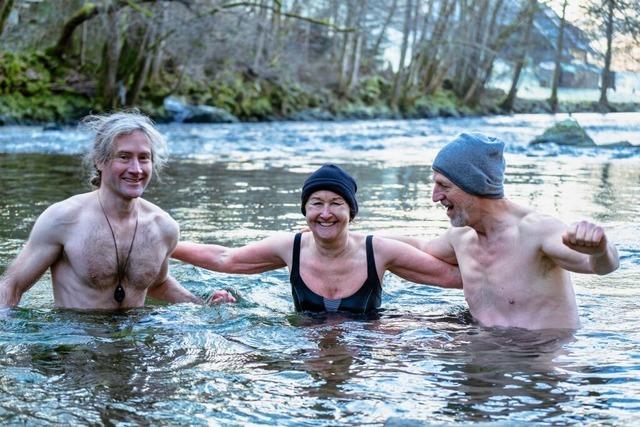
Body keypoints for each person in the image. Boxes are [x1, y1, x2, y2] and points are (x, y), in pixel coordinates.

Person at [0, 111, 234, 309]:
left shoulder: (164, 227)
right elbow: (12, 286)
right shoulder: (63, 219)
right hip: (76, 348)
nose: (136, 169)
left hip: (135, 348)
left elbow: (156, 283)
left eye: (144, 158)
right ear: (100, 161)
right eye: (124, 157)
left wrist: (203, 305)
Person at [394, 132, 619, 330]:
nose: (435, 197)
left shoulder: (536, 231)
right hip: (484, 352)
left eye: (444, 186)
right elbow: (420, 247)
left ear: (474, 185)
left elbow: (600, 266)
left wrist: (599, 250)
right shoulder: (461, 238)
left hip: (537, 362)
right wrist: (362, 240)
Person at [172, 164, 462, 314]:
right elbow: (225, 259)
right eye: (316, 203)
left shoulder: (379, 251)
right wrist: (165, 246)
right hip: (304, 345)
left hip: (365, 353)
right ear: (305, 210)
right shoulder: (290, 248)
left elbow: (450, 278)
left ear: (351, 211)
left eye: (336, 203)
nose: (325, 213)